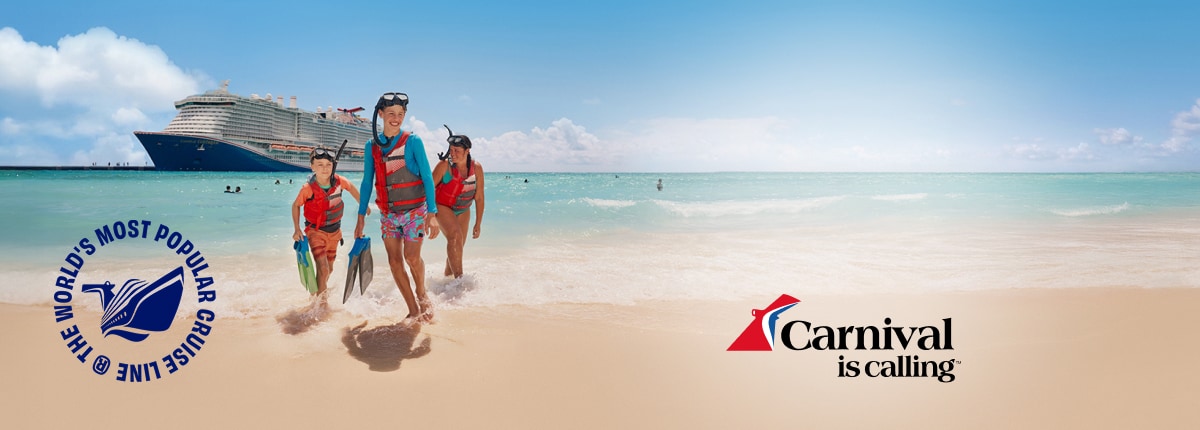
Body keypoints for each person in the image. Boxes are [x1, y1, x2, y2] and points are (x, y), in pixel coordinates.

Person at [352, 92, 440, 323]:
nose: (396, 118)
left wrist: (432, 213)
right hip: (389, 215)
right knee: (394, 261)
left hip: (415, 213)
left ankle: (422, 294)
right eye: (391, 113)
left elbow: (428, 179)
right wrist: (361, 215)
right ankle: (413, 309)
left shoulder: (413, 142)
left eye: (400, 114)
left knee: (412, 257)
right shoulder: (372, 147)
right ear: (380, 114)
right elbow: (366, 182)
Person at [291, 148, 364, 304]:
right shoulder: (308, 188)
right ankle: (322, 306)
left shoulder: (339, 181)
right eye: (320, 164)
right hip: (315, 232)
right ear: (312, 167)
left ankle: (317, 294)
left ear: (333, 165)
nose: (324, 168)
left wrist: (364, 207)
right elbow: (296, 205)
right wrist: (297, 228)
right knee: (323, 269)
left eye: (328, 165)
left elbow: (351, 187)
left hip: (335, 233)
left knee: (328, 270)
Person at [432, 126, 485, 279]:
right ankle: (459, 282)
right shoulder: (444, 166)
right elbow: (427, 189)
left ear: (467, 151)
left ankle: (447, 279)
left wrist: (478, 223)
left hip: (463, 209)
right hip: (442, 206)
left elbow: (479, 197)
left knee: (458, 245)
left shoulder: (476, 168)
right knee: (454, 236)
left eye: (457, 151)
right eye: (451, 150)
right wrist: (428, 216)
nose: (452, 154)